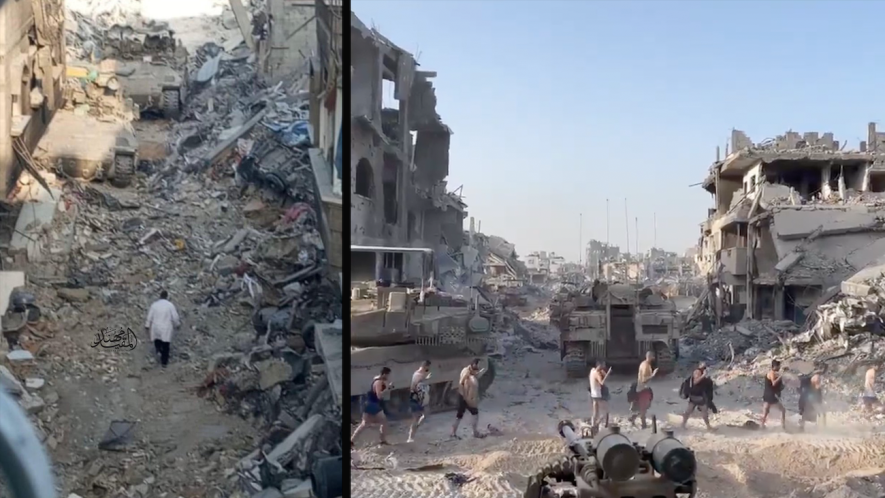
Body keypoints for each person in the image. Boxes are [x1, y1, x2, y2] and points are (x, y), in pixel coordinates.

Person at [351, 367, 392, 446]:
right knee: (384, 422)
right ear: (384, 374)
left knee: (364, 424)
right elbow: (379, 396)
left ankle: (351, 441)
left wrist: (387, 386)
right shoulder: (379, 382)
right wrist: (387, 389)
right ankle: (382, 441)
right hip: (373, 404)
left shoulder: (377, 379)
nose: (388, 377)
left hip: (367, 404)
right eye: (388, 375)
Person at [145, 290, 181, 368]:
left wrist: (147, 325)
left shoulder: (154, 305)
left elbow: (149, 316)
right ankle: (164, 362)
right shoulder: (170, 305)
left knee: (157, 341)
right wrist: (177, 324)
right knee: (166, 345)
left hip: (156, 327)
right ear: (167, 297)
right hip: (166, 327)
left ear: (160, 296)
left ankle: (158, 351)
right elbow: (175, 317)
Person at [451, 359, 484, 439]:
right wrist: (466, 397)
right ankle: (474, 432)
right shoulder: (466, 373)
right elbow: (461, 384)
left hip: (464, 396)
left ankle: (453, 433)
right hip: (464, 397)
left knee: (460, 415)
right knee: (473, 414)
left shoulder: (467, 370)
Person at [629, 351, 659, 429]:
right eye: (653, 357)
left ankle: (633, 418)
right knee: (643, 408)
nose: (654, 358)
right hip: (643, 389)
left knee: (643, 406)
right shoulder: (646, 366)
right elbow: (643, 380)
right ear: (650, 357)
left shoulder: (643, 364)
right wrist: (653, 375)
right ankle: (643, 424)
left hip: (643, 388)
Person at [680, 363, 714, 430]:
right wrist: (703, 376)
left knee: (705, 414)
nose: (696, 375)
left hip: (701, 399)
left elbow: (709, 388)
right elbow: (694, 383)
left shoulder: (705, 380)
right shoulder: (694, 377)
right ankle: (683, 424)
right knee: (688, 412)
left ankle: (708, 426)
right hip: (693, 398)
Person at [407, 361, 432, 443]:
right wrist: (426, 378)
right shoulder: (418, 375)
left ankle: (415, 428)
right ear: (425, 366)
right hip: (416, 399)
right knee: (416, 417)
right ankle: (410, 437)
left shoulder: (419, 375)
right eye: (428, 367)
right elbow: (419, 381)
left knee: (426, 413)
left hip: (421, 398)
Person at [762, 360, 787, 429]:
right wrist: (781, 376)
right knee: (782, 410)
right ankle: (783, 427)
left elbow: (778, 387)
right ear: (775, 366)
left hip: (767, 394)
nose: (779, 368)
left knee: (766, 412)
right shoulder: (772, 373)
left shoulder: (772, 373)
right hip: (771, 395)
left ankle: (761, 426)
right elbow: (774, 383)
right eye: (778, 366)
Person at [589, 361, 611, 429]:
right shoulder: (597, 374)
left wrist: (603, 373)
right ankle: (599, 425)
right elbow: (602, 383)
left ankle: (593, 425)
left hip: (593, 394)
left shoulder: (592, 371)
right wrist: (607, 375)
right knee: (606, 412)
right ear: (599, 366)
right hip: (598, 395)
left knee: (595, 412)